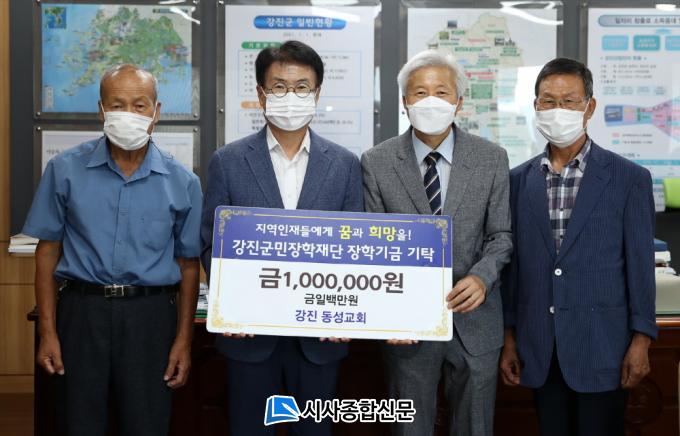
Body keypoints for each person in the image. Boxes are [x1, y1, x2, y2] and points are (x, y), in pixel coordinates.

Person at [23, 64, 202, 436]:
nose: (129, 114)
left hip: (150, 317)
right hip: (81, 314)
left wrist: (183, 340)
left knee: (146, 424)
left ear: (156, 111)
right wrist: (48, 332)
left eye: (140, 105)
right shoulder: (64, 169)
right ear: (102, 110)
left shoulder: (183, 181)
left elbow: (188, 264)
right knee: (78, 422)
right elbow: (47, 251)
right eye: (118, 105)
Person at [200, 40, 363, 436]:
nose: (291, 96)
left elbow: (355, 249)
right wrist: (230, 303)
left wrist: (349, 308)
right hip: (249, 334)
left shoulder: (344, 164)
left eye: (302, 87)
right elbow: (210, 244)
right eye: (279, 87)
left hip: (321, 336)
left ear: (317, 94)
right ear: (261, 94)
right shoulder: (228, 161)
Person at [499, 57, 657, 436]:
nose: (558, 110)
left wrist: (642, 340)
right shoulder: (516, 181)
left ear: (590, 107)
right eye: (548, 101)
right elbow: (512, 269)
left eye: (569, 101)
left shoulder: (628, 179)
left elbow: (640, 266)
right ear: (535, 106)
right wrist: (508, 338)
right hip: (540, 347)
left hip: (603, 346)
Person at [361, 49, 513, 436]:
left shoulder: (492, 158)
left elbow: (501, 235)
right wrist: (387, 312)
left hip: (475, 320)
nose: (431, 101)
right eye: (420, 93)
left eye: (442, 92)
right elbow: (372, 246)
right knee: (409, 428)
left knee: (475, 428)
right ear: (404, 102)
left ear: (459, 102)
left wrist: (481, 278)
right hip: (406, 325)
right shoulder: (377, 162)